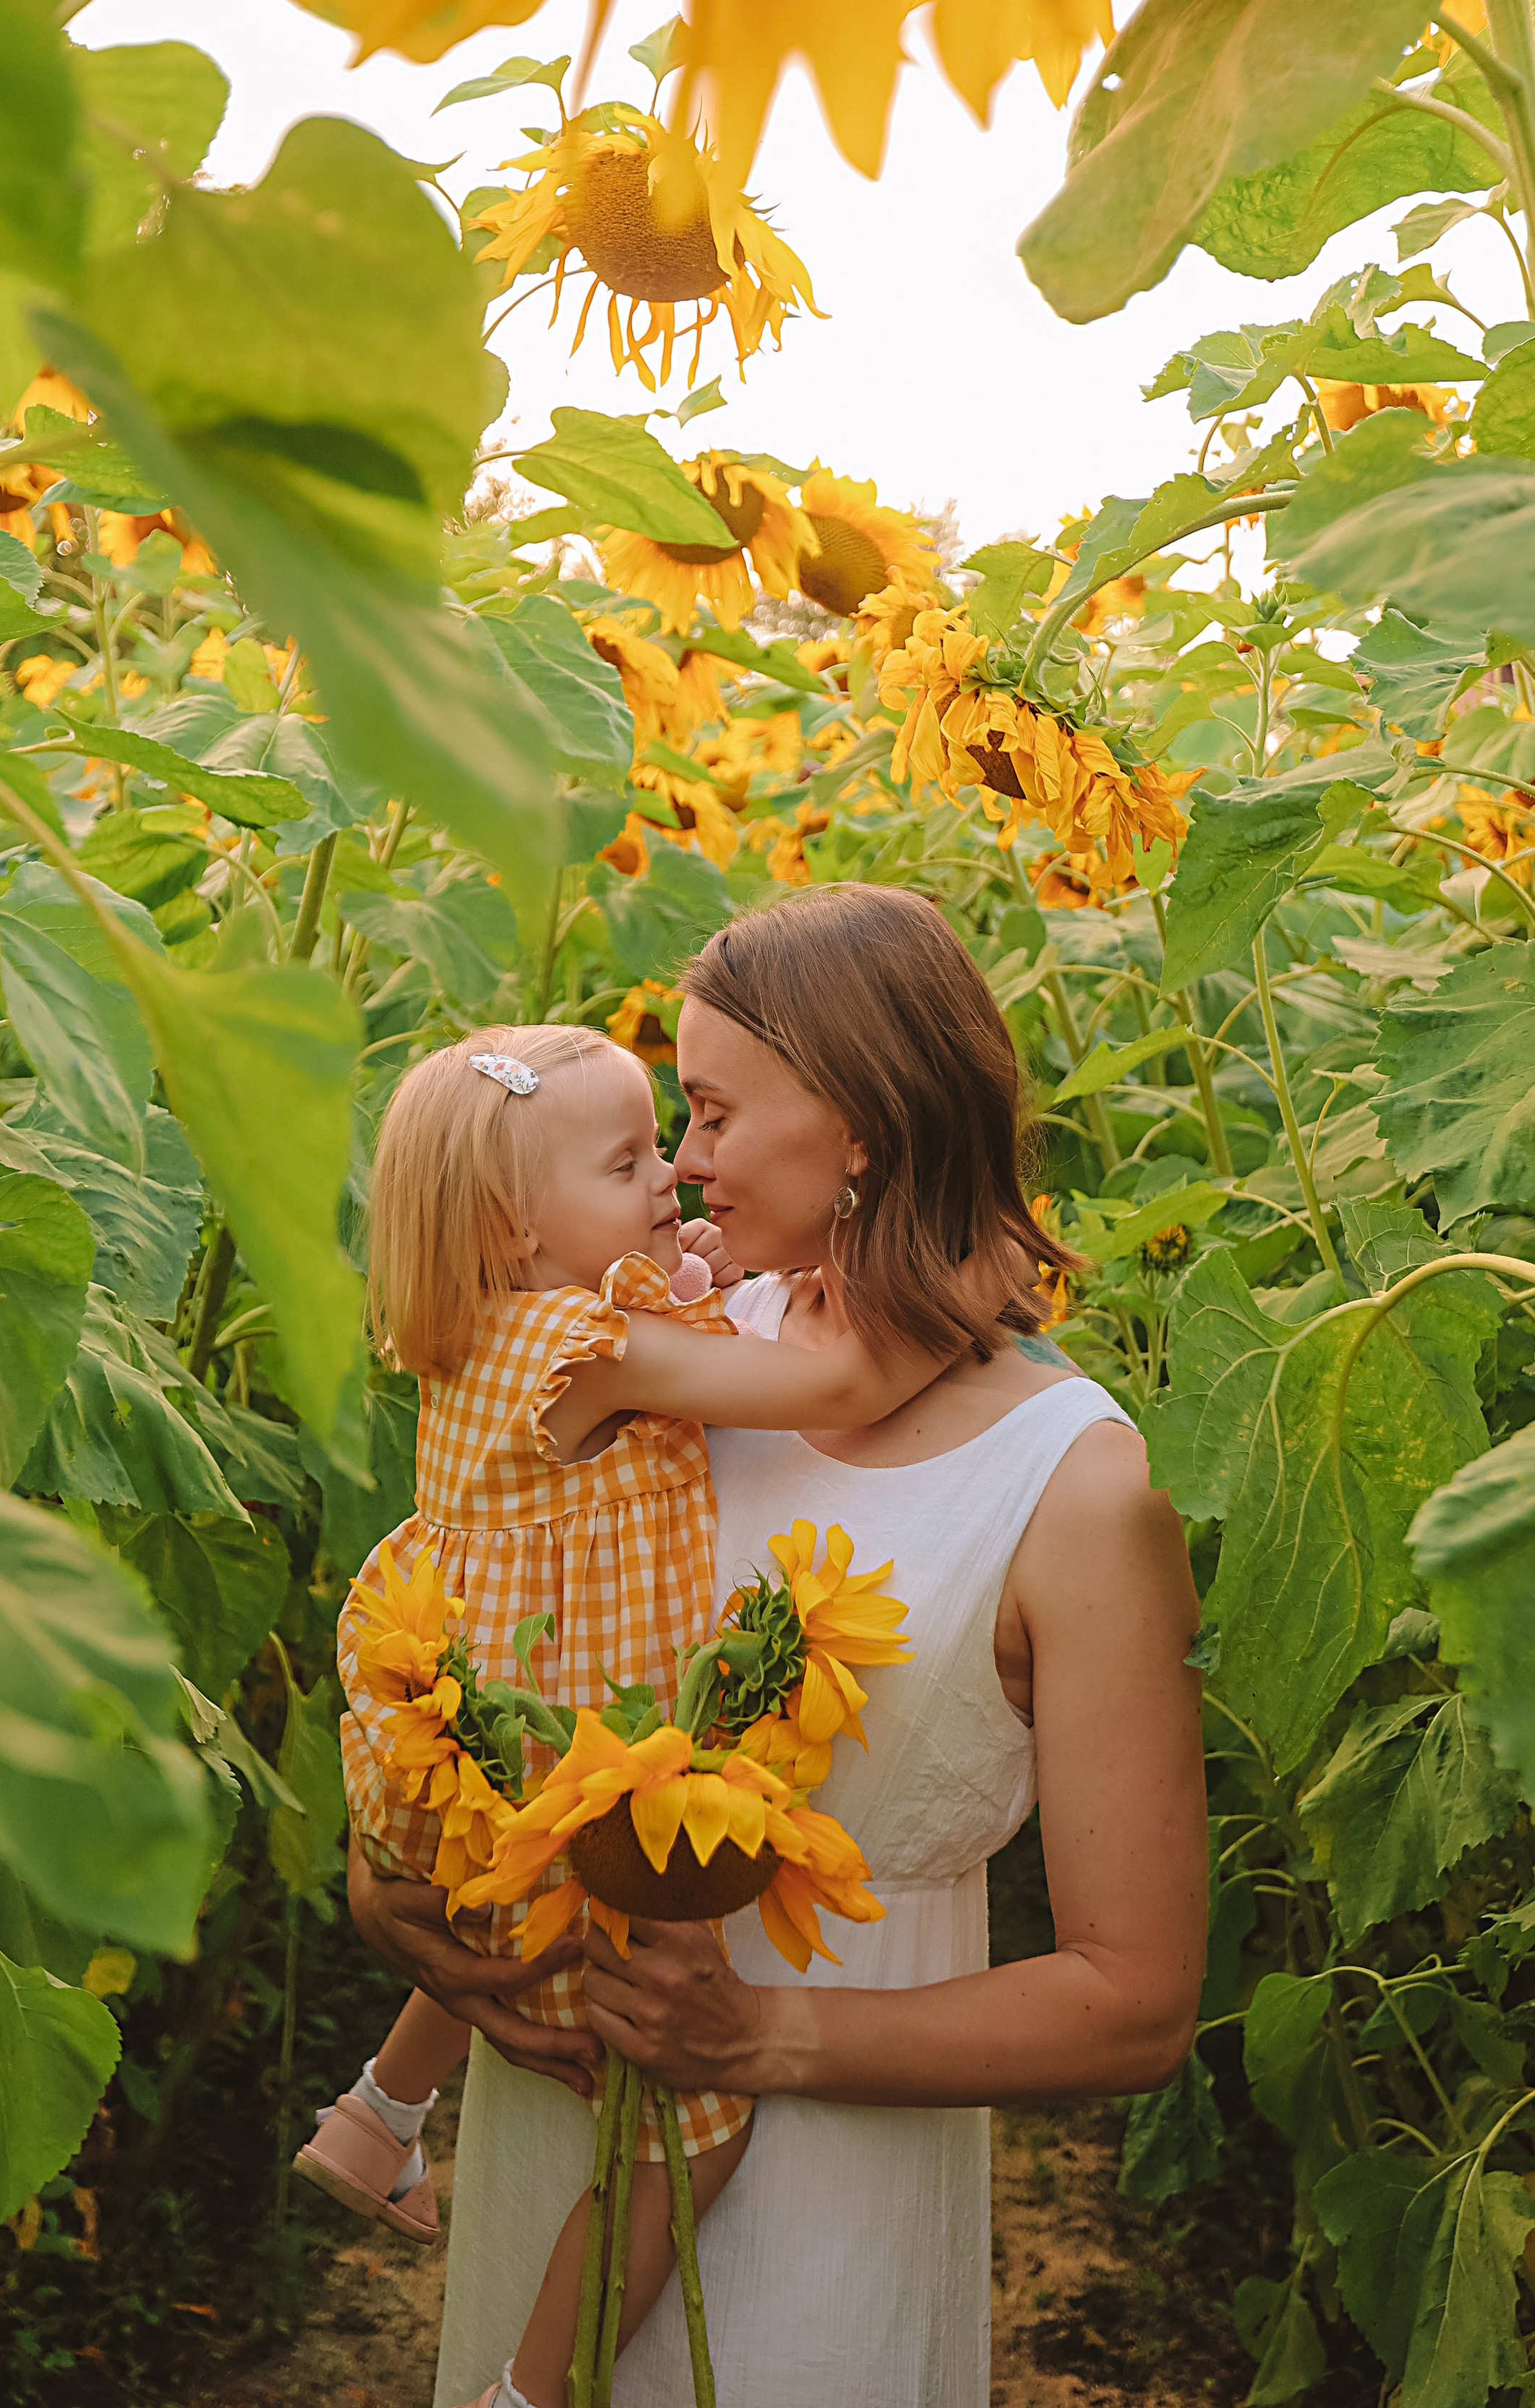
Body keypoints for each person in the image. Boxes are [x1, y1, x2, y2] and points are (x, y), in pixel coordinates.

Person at [347, 885, 1209, 2408]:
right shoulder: (668, 1349)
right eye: (666, 1124)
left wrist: (756, 2037)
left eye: (713, 1111)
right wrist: (399, 1893)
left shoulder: (1079, 1478)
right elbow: (503, 1634)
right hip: (561, 2106)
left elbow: (1133, 1998)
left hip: (821, 2177)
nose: (681, 1162)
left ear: (861, 1125)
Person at [299, 1019, 946, 2408]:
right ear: (513, 1226)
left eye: (665, 1138)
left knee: (500, 1920)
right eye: (626, 1159)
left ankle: (377, 2114)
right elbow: (833, 1383)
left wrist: (681, 1269)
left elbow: (666, 1301)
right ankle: (530, 2394)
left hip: (496, 1733)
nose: (667, 1175)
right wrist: (958, 1281)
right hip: (596, 1760)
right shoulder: (583, 1351)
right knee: (694, 2134)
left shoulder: (496, 1330)